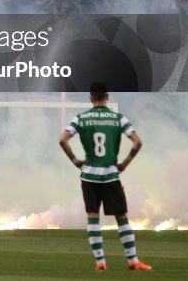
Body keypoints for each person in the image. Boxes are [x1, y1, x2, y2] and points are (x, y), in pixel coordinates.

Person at [59, 81, 152, 272]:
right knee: (121, 217)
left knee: (93, 217)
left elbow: (62, 140)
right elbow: (137, 142)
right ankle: (133, 261)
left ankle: (100, 262)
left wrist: (76, 161)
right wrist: (124, 164)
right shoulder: (118, 118)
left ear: (90, 97)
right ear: (107, 96)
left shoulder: (81, 119)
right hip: (111, 175)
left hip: (89, 176)